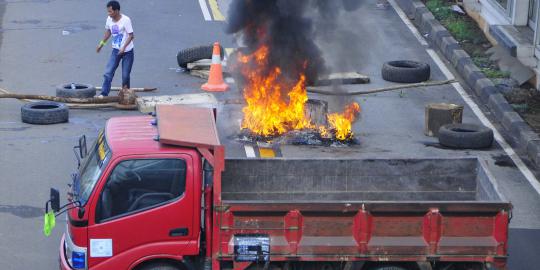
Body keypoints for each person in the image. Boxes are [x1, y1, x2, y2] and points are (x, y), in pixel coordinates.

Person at [96, 1, 134, 97]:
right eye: (108, 11)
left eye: (110, 12)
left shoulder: (126, 20)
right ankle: (104, 93)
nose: (109, 14)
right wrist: (101, 44)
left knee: (125, 75)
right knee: (108, 72)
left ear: (116, 11)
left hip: (128, 52)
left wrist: (123, 48)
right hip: (116, 51)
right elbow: (108, 31)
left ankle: (126, 94)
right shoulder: (109, 19)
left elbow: (131, 36)